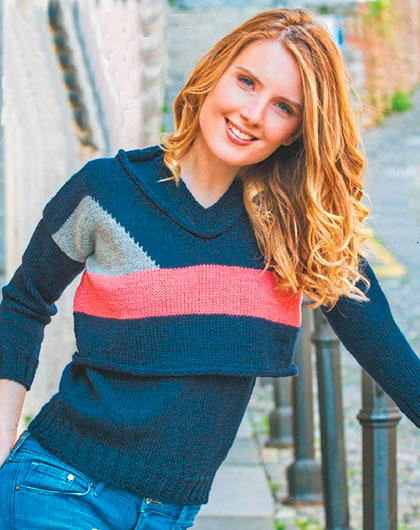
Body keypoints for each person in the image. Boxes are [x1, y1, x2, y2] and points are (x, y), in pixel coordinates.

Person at [1, 6, 420, 529]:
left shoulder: (297, 231)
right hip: (59, 491)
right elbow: (24, 301)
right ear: (215, 71)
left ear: (296, 131)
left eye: (283, 107)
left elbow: (388, 352)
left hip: (171, 516)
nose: (253, 113)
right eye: (247, 82)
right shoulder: (106, 191)